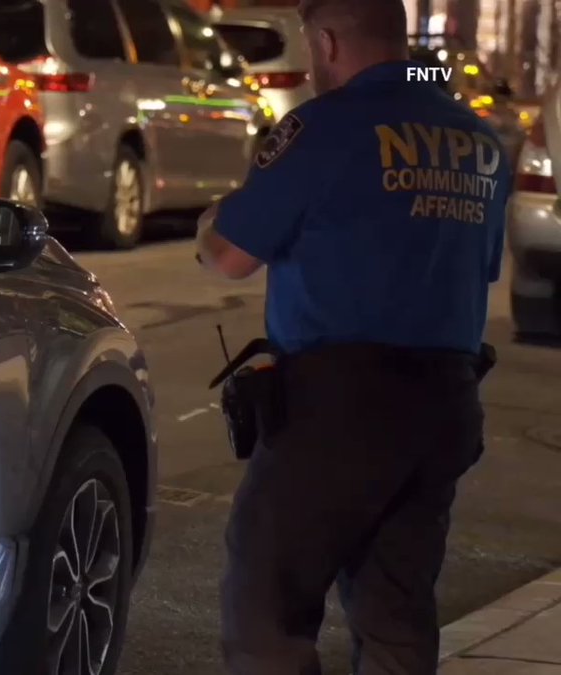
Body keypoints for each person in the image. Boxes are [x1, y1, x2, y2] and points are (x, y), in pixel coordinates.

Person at [194, 0, 509, 673]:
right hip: (445, 406)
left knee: (265, 607)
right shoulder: (477, 141)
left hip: (339, 408)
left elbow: (228, 255)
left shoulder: (325, 127)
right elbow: (480, 269)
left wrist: (213, 219)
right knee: (396, 613)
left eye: (312, 48)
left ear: (329, 42)